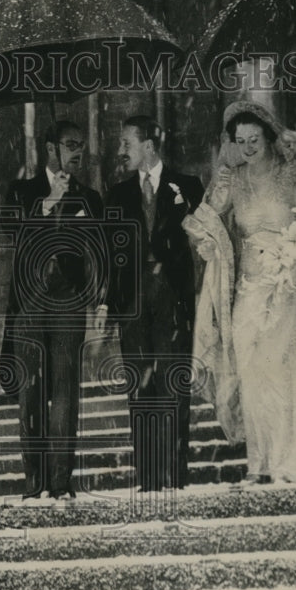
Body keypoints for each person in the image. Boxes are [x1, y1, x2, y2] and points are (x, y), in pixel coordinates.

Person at [183, 101, 296, 486]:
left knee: (281, 365)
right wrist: (207, 237)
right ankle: (261, 462)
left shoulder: (291, 174)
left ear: (268, 138)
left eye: (254, 139)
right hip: (248, 286)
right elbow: (203, 217)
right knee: (252, 372)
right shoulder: (233, 178)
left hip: (288, 279)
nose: (248, 148)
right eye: (240, 141)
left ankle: (294, 459)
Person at [94, 116, 204, 491]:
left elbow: (204, 244)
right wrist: (107, 305)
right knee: (140, 390)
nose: (120, 150)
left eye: (127, 142)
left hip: (174, 302)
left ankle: (175, 475)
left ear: (149, 146)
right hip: (133, 305)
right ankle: (149, 476)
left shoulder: (187, 186)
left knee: (173, 385)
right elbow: (110, 255)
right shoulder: (118, 194)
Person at [0, 121, 103, 502]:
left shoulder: (89, 198)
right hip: (29, 301)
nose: (78, 152)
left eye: (82, 145)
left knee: (64, 391)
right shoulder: (21, 191)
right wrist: (47, 203)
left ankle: (60, 483)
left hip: (68, 302)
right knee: (30, 391)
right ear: (49, 149)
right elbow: (12, 233)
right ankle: (33, 482)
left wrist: (99, 299)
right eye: (70, 144)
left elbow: (98, 251)